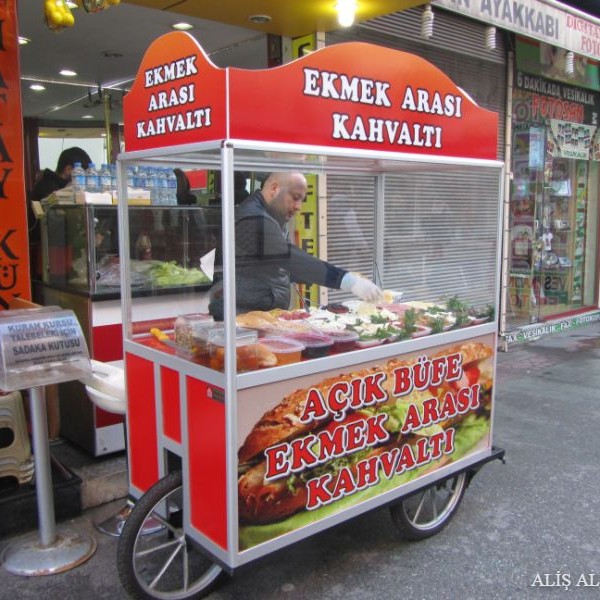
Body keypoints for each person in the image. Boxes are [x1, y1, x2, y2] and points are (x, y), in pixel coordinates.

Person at [208, 172, 383, 319]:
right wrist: (347, 281)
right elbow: (288, 257)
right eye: (295, 198)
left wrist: (333, 275)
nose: (298, 207)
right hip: (240, 317)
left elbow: (278, 265)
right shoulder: (253, 219)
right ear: (274, 189)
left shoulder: (270, 214)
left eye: (302, 200)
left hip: (260, 312)